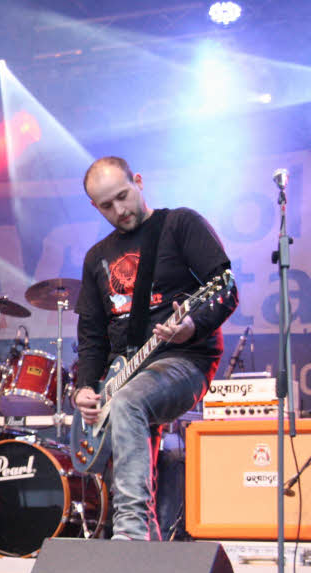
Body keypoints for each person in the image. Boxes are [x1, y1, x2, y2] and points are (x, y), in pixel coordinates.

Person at [72, 157, 237, 541]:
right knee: (130, 419)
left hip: (183, 358)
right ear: (94, 207)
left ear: (139, 181)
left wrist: (190, 326)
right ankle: (147, 549)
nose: (119, 211)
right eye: (106, 206)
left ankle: (128, 534)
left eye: (123, 196)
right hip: (126, 368)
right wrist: (85, 386)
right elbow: (92, 333)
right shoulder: (96, 256)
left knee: (129, 401)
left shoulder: (178, 224)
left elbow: (225, 287)